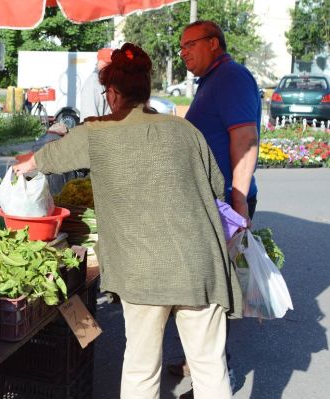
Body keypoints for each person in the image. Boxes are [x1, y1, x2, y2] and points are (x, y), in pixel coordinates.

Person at [13, 43, 241, 399]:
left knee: (141, 367)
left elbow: (43, 160)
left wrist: (20, 165)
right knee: (210, 366)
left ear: (114, 92)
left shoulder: (98, 132)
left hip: (142, 269)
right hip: (201, 264)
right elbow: (216, 186)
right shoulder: (184, 130)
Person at [171, 20, 261, 398]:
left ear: (213, 43)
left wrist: (238, 201)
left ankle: (220, 369)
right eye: (181, 47)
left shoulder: (232, 78)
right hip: (215, 201)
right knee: (209, 289)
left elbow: (245, 138)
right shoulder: (211, 81)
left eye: (189, 45)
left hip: (225, 203)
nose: (183, 53)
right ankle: (206, 362)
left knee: (215, 292)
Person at [80, 47, 113, 120]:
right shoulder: (93, 85)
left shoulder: (106, 81)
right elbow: (89, 124)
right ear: (99, 61)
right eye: (107, 63)